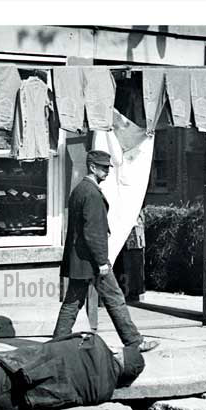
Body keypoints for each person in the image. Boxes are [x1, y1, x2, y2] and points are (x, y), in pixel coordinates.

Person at [53, 149, 158, 352]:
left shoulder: (80, 190)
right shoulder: (91, 193)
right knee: (115, 298)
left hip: (80, 260)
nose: (107, 171)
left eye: (108, 167)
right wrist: (102, 261)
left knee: (73, 302)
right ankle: (134, 342)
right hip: (92, 260)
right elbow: (93, 233)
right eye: (103, 167)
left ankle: (56, 344)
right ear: (92, 167)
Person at [0, 332, 145, 410]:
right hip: (9, 402)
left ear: (118, 353)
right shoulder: (103, 393)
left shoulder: (92, 340)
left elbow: (52, 344)